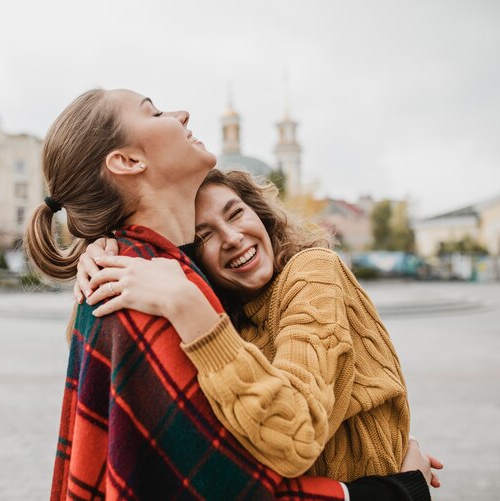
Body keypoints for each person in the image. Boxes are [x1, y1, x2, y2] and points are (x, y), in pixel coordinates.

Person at [25, 88, 441, 501]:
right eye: (153, 112)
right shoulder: (154, 284)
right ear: (128, 161)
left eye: (236, 212)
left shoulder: (200, 288)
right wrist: (398, 492)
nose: (183, 113)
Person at [77, 168, 412, 483]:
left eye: (236, 213)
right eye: (204, 235)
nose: (233, 237)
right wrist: (104, 254)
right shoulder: (230, 320)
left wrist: (187, 306)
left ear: (260, 214)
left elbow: (295, 435)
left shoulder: (313, 271)